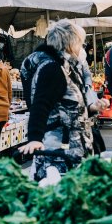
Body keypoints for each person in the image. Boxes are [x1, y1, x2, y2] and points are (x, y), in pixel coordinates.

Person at [19, 20, 97, 180]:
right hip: (60, 152)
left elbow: (67, 105)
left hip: (71, 150)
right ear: (71, 43)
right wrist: (34, 138)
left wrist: (93, 108)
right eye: (80, 43)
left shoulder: (66, 67)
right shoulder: (52, 68)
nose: (81, 48)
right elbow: (41, 105)